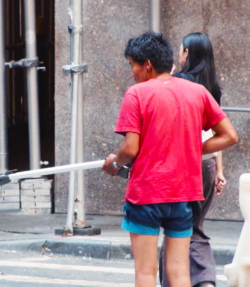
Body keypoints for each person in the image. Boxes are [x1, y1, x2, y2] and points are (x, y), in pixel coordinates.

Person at [102, 32, 237, 287]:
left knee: (145, 272)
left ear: (148, 65)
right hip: (184, 193)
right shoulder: (197, 91)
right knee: (180, 275)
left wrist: (114, 163)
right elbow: (229, 136)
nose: (132, 72)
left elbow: (130, 148)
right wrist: (192, 148)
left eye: (133, 65)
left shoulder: (137, 94)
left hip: (146, 194)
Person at [158, 32, 224, 287]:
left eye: (181, 49)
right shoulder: (212, 86)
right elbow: (219, 129)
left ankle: (195, 281)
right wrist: (218, 169)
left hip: (183, 165)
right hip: (207, 163)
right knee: (195, 226)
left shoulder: (178, 83)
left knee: (177, 229)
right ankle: (203, 280)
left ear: (187, 53)